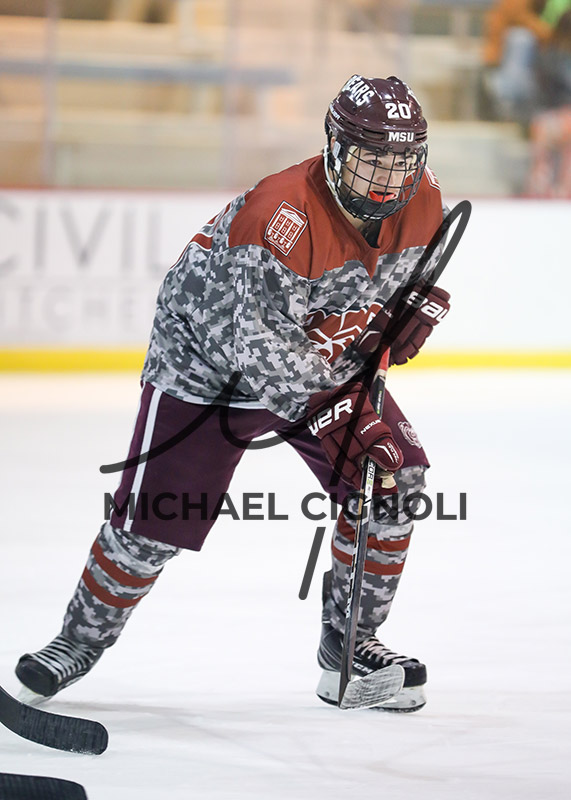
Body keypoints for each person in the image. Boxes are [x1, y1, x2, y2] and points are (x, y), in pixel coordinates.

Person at [15, 75, 452, 713]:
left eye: (400, 160)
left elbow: (395, 281)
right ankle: (76, 642)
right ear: (333, 147)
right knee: (155, 522)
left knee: (393, 480)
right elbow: (263, 356)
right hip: (206, 367)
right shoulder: (279, 218)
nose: (387, 178)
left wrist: (410, 306)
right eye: (370, 158)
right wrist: (346, 412)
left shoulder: (425, 197)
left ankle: (351, 644)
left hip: (314, 357)